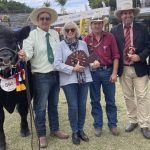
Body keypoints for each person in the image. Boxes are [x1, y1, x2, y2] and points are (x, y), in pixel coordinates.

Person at [18, 7, 69, 148]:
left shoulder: (55, 34)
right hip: (41, 77)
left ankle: (55, 129)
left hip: (56, 75)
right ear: (37, 21)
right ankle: (41, 135)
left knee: (53, 105)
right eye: (42, 18)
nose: (45, 20)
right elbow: (27, 53)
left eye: (47, 18)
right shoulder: (31, 35)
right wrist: (24, 55)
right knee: (40, 108)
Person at [111, 2, 150, 139]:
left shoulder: (142, 28)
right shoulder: (114, 30)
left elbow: (148, 46)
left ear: (133, 14)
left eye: (129, 12)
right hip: (124, 69)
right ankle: (133, 121)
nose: (127, 15)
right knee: (128, 97)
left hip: (140, 68)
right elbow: (113, 50)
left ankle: (144, 124)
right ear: (121, 16)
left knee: (142, 96)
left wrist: (140, 56)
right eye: (124, 13)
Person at [54, 21, 92, 145]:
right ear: (64, 32)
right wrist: (72, 69)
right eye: (67, 30)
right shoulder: (60, 45)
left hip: (84, 79)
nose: (70, 32)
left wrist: (93, 64)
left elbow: (87, 60)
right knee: (73, 106)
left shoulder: (83, 43)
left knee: (82, 106)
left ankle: (81, 130)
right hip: (69, 80)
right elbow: (57, 64)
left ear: (76, 31)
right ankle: (74, 131)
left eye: (72, 30)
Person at [83, 14, 120, 137]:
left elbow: (116, 56)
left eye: (99, 23)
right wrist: (91, 62)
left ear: (102, 24)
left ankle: (113, 124)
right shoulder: (86, 39)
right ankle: (98, 125)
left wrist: (114, 73)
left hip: (108, 71)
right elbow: (83, 58)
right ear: (91, 25)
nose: (97, 25)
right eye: (94, 23)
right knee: (95, 100)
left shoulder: (110, 37)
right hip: (93, 73)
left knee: (110, 100)